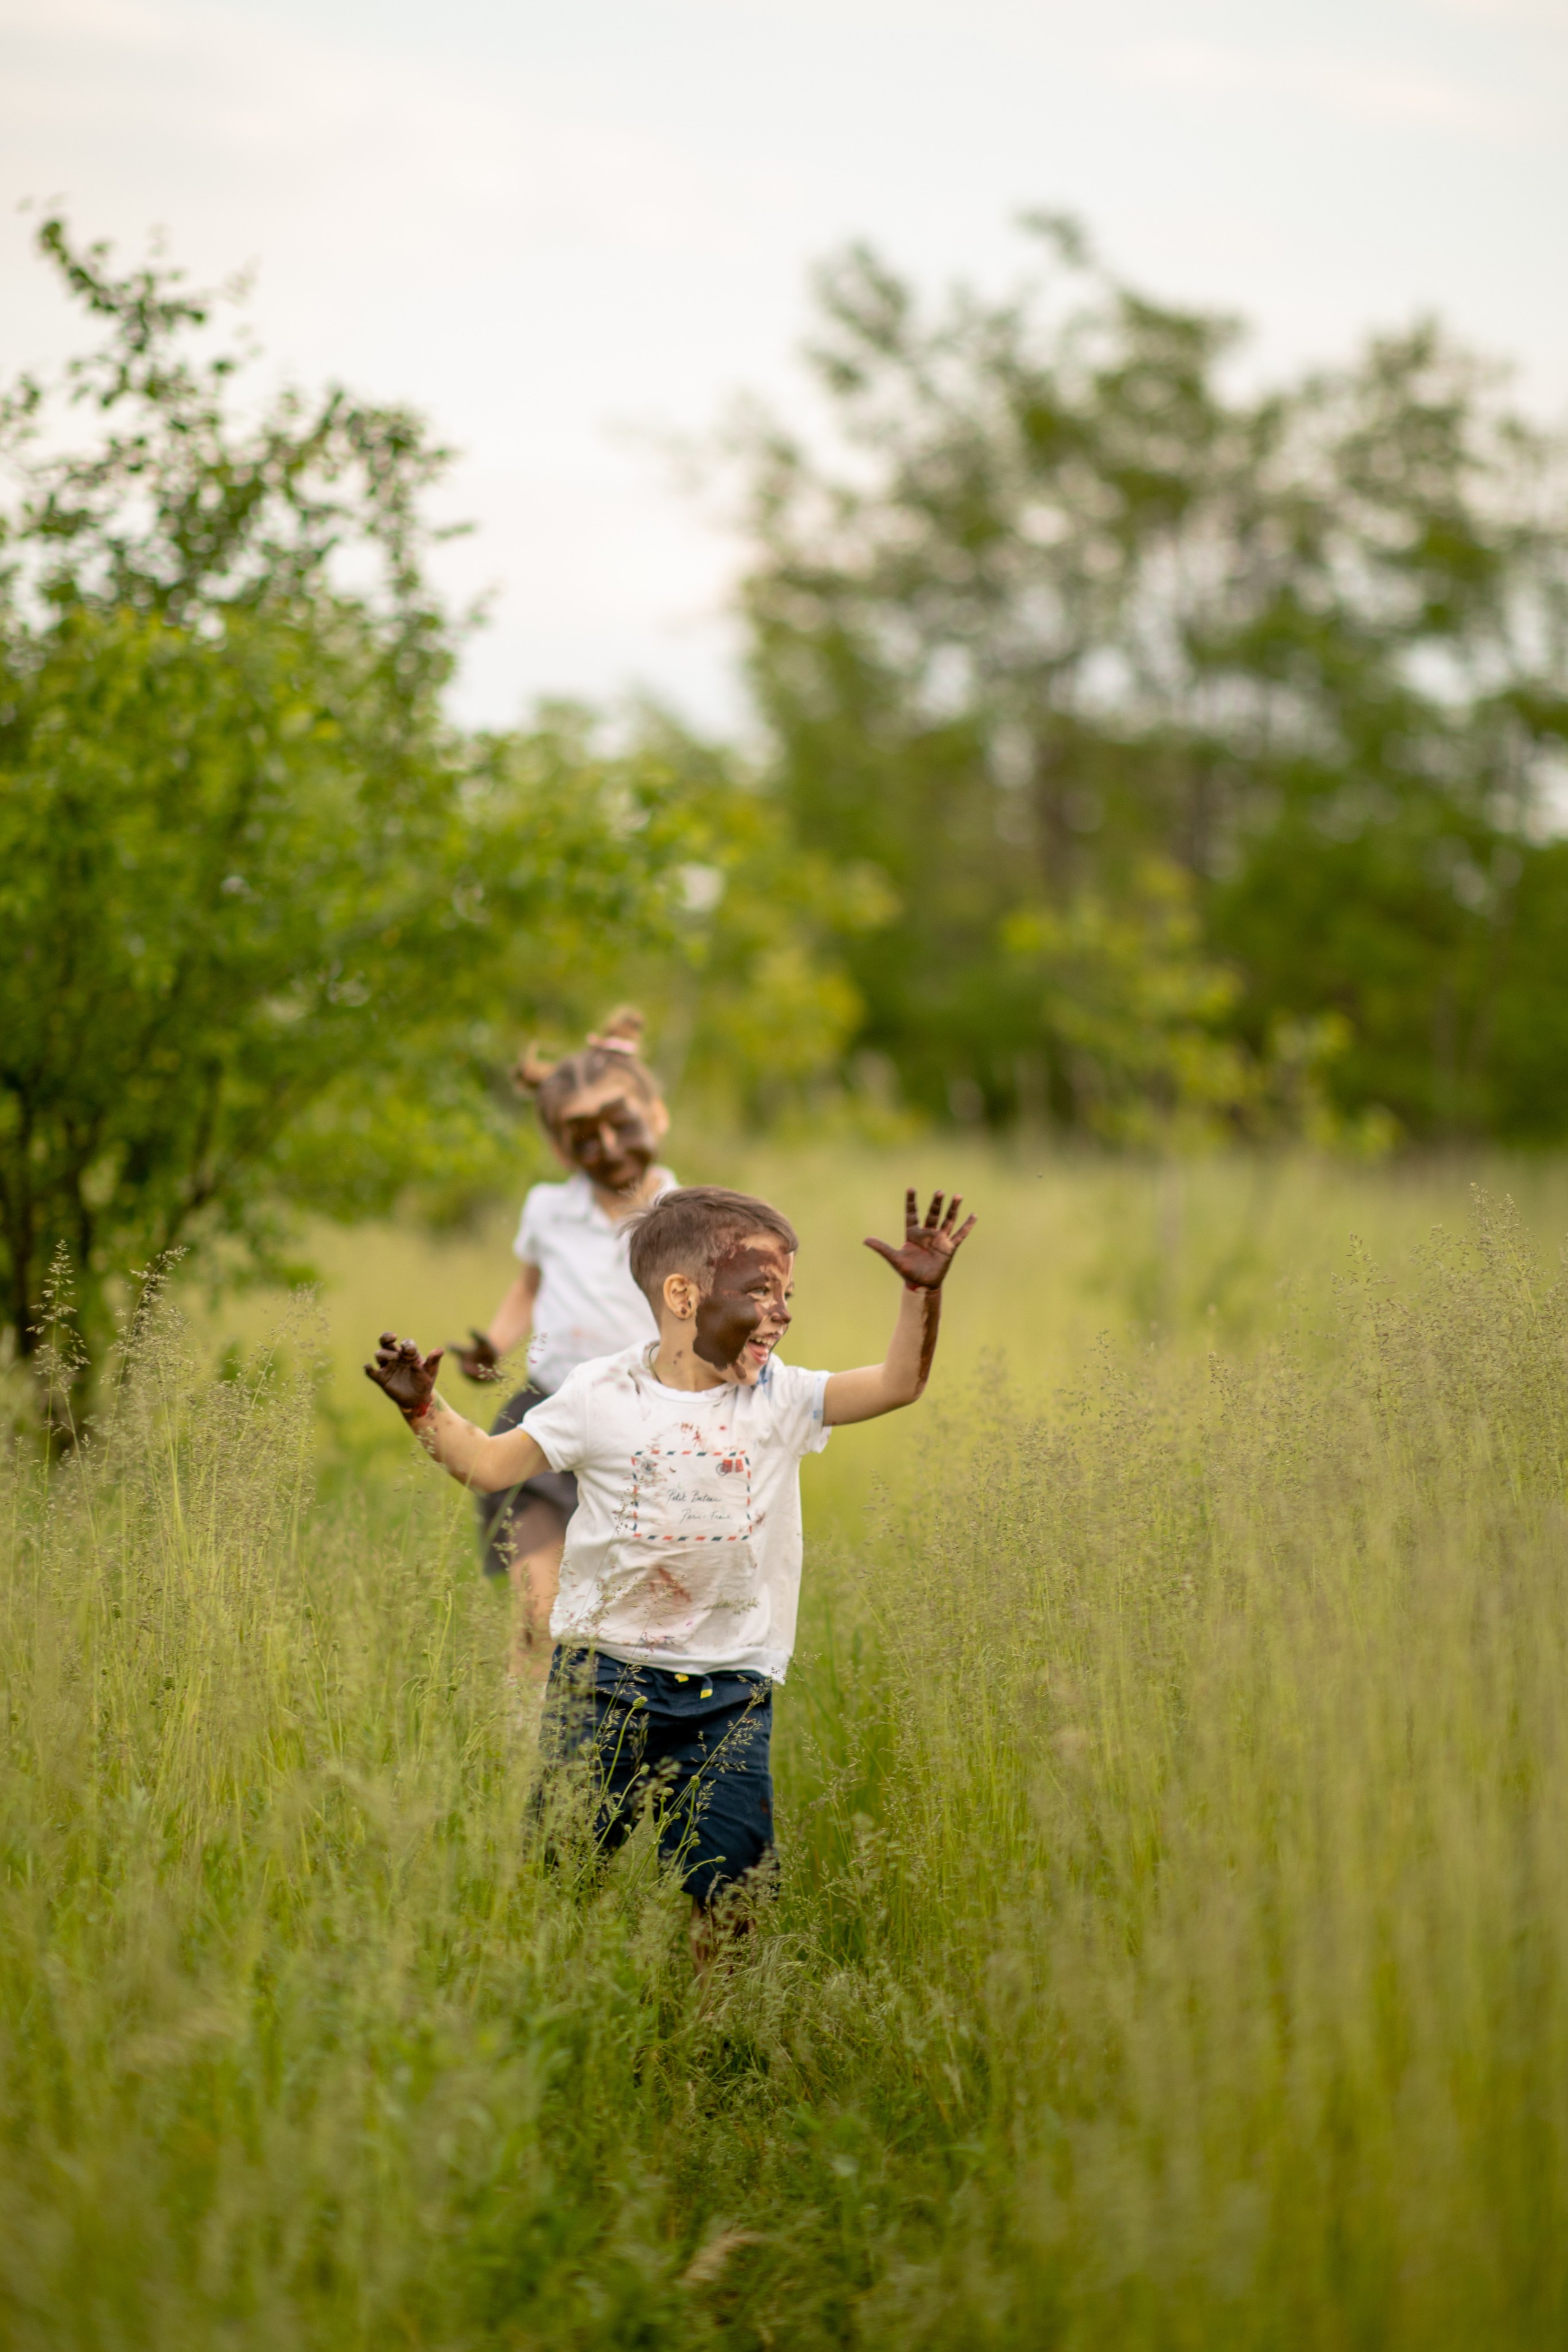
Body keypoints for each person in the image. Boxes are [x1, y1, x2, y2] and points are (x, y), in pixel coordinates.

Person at [364, 1182, 976, 1966]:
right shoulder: (599, 1395)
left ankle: (709, 2039)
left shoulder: (781, 1397)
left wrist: (921, 1295)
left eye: (790, 1294)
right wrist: (425, 1410)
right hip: (599, 1681)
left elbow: (899, 1384)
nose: (784, 1313)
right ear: (683, 1295)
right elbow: (487, 1466)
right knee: (563, 1873)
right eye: (761, 1292)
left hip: (729, 1692)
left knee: (732, 1898)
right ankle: (555, 2009)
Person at [443, 1008, 676, 1676]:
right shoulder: (548, 1207)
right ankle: (527, 1759)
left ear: (656, 1116)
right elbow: (528, 1284)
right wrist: (493, 1340)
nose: (605, 1145)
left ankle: (626, 1755)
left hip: (649, 1435)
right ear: (558, 1148)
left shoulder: (687, 1214)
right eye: (582, 1135)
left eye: (620, 1124)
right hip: (545, 1419)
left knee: (642, 1624)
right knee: (540, 1614)